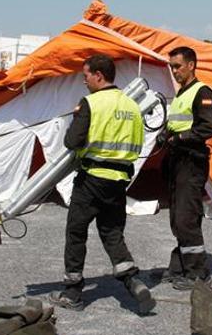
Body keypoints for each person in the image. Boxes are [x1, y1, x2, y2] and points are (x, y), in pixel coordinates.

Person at [48, 54, 155, 314]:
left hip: (92, 179)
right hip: (119, 182)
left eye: (85, 76)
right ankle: (132, 281)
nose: (84, 81)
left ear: (98, 75)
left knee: (76, 232)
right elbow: (138, 145)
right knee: (112, 232)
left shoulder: (91, 103)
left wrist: (76, 120)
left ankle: (72, 292)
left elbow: (72, 142)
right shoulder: (132, 106)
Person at [158, 46, 212, 290]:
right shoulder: (182, 93)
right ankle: (179, 267)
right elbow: (178, 124)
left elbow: (210, 127)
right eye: (171, 66)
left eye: (177, 66)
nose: (174, 71)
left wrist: (180, 138)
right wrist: (165, 135)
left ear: (191, 65)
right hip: (177, 161)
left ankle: (198, 274)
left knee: (186, 217)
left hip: (191, 162)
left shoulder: (201, 92)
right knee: (176, 217)